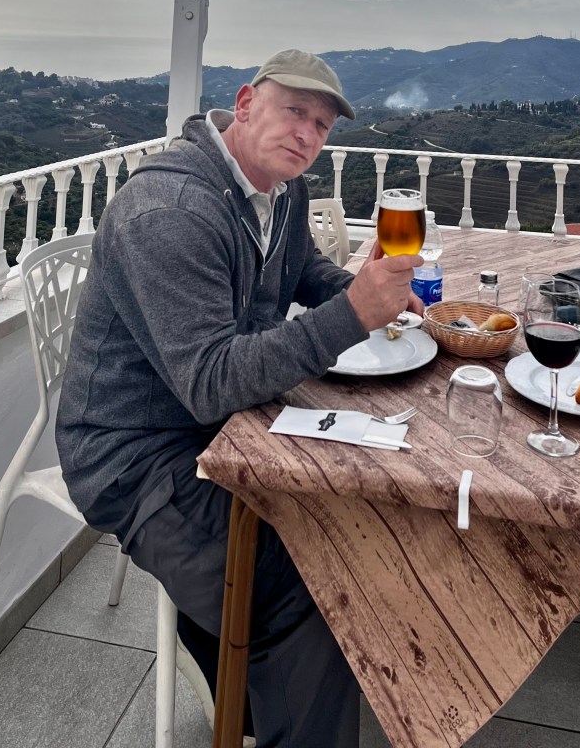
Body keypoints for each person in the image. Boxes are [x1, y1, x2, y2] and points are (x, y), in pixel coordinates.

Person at [55, 49, 423, 748]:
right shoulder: (170, 211)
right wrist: (352, 315)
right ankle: (270, 684)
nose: (307, 134)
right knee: (315, 584)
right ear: (246, 104)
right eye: (295, 111)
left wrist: (360, 289)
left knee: (344, 516)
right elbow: (210, 382)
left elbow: (300, 269)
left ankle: (251, 695)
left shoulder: (280, 191)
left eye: (321, 125)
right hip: (135, 458)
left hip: (226, 428)